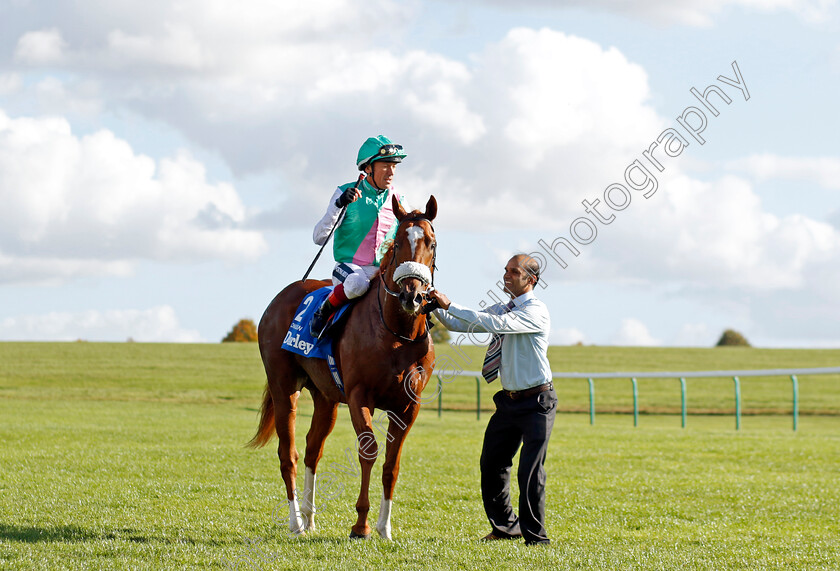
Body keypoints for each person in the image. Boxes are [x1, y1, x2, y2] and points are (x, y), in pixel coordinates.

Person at [429, 254, 556, 545]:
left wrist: (451, 304)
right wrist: (435, 305)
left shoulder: (535, 311)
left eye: (514, 272)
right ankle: (505, 529)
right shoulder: (506, 307)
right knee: (492, 464)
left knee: (530, 472)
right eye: (506, 270)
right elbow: (464, 324)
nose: (506, 275)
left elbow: (494, 322)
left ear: (530, 280)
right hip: (509, 402)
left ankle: (537, 539)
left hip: (538, 402)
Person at [309, 135, 407, 338]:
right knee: (357, 284)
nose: (391, 172)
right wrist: (339, 205)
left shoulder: (398, 199)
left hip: (383, 271)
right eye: (386, 165)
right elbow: (319, 237)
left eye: (394, 166)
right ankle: (323, 311)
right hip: (350, 269)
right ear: (368, 168)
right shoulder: (345, 192)